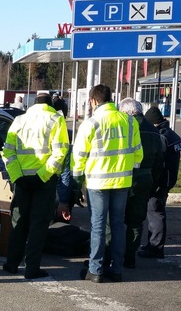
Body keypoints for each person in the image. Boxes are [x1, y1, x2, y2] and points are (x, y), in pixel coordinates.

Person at [72, 84, 143, 283]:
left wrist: (76, 181)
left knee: (98, 226)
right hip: (122, 181)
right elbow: (138, 153)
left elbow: (78, 156)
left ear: (94, 101)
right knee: (118, 225)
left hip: (97, 182)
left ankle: (95, 270)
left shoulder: (91, 123)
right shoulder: (129, 122)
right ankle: (116, 269)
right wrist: (129, 171)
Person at [1, 92, 69, 279]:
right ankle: (32, 268)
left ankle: (11, 263)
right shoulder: (56, 119)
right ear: (50, 104)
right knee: (38, 224)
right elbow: (60, 152)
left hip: (22, 180)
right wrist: (42, 176)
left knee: (18, 221)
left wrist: (18, 177)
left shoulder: (20, 120)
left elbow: (8, 151)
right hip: (44, 181)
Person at [113, 98, 163, 268]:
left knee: (117, 219)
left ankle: (114, 256)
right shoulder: (153, 130)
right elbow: (159, 161)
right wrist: (153, 181)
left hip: (123, 177)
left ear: (125, 112)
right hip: (145, 179)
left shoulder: (124, 127)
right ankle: (130, 257)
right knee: (135, 221)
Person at [140, 105, 181, 259]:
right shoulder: (172, 135)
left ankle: (155, 248)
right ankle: (152, 243)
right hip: (168, 179)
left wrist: (153, 182)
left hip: (160, 181)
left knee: (155, 213)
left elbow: (158, 162)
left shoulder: (161, 136)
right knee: (155, 212)